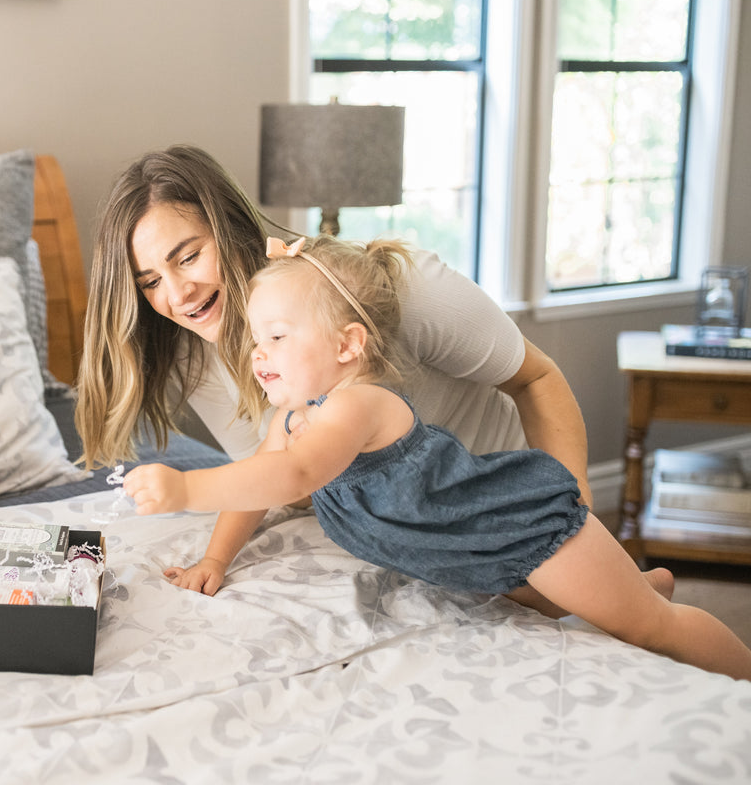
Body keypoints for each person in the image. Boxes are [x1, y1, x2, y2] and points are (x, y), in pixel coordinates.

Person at [122, 235, 751, 681]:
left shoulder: (357, 407)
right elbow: (260, 482)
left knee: (650, 629)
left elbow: (295, 474)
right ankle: (637, 586)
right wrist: (214, 557)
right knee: (563, 602)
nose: (259, 356)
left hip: (522, 531)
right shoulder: (297, 415)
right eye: (257, 340)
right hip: (468, 553)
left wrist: (185, 490)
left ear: (348, 345)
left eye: (278, 338)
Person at [73, 144, 594, 513]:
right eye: (149, 282)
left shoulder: (396, 287)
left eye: (187, 257)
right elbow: (292, 489)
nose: (177, 293)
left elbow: (536, 379)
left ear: (232, 227)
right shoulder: (195, 358)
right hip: (418, 528)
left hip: (509, 496)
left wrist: (573, 514)